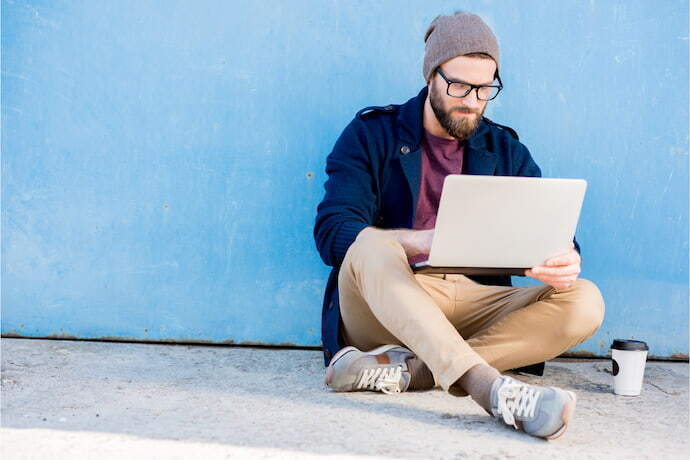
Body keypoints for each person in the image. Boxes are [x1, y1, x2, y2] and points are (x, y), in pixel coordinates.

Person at [313, 11, 605, 440]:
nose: (471, 100)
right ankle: (489, 389)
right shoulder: (370, 134)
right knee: (369, 245)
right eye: (459, 86)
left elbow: (553, 230)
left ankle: (414, 373)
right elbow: (332, 232)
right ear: (432, 75)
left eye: (486, 88)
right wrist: (419, 241)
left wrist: (561, 259)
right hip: (391, 299)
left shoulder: (503, 147)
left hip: (472, 302)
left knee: (585, 300)